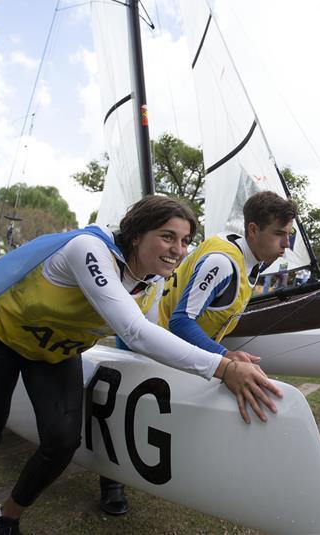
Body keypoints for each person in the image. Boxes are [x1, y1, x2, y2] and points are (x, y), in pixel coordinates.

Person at [0, 195, 282, 535]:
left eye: (185, 241)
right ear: (137, 234)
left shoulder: (154, 280)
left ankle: (9, 517)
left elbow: (158, 334)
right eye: (167, 237)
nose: (178, 250)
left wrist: (222, 354)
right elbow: (134, 331)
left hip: (55, 351)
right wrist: (223, 368)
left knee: (62, 443)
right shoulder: (89, 249)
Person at [101, 191, 297, 515]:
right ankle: (111, 479)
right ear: (252, 230)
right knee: (130, 412)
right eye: (279, 234)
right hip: (149, 338)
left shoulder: (250, 261)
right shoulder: (223, 262)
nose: (285, 244)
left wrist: (222, 355)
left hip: (176, 347)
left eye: (288, 235)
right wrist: (223, 357)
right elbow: (180, 321)